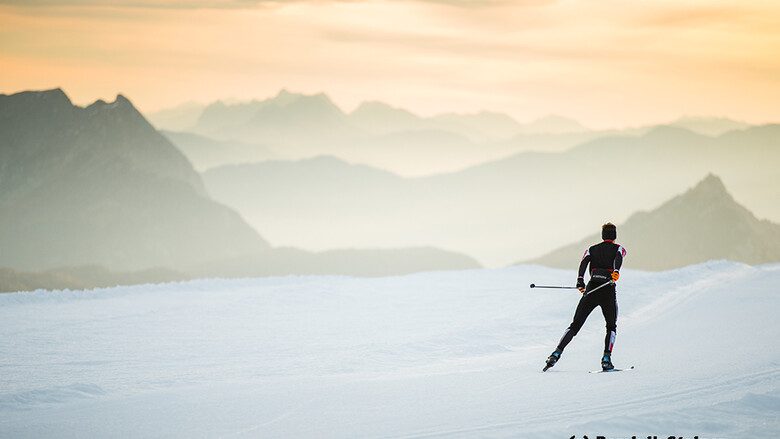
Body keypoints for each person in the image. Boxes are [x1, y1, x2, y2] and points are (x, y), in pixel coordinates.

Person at [543, 223, 627, 372]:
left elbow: (584, 262)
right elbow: (619, 257)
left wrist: (580, 280)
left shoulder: (591, 249)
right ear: (614, 236)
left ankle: (556, 353)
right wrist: (615, 271)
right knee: (611, 326)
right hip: (607, 290)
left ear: (602, 236)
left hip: (591, 290)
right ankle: (606, 359)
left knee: (575, 326)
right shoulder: (618, 248)